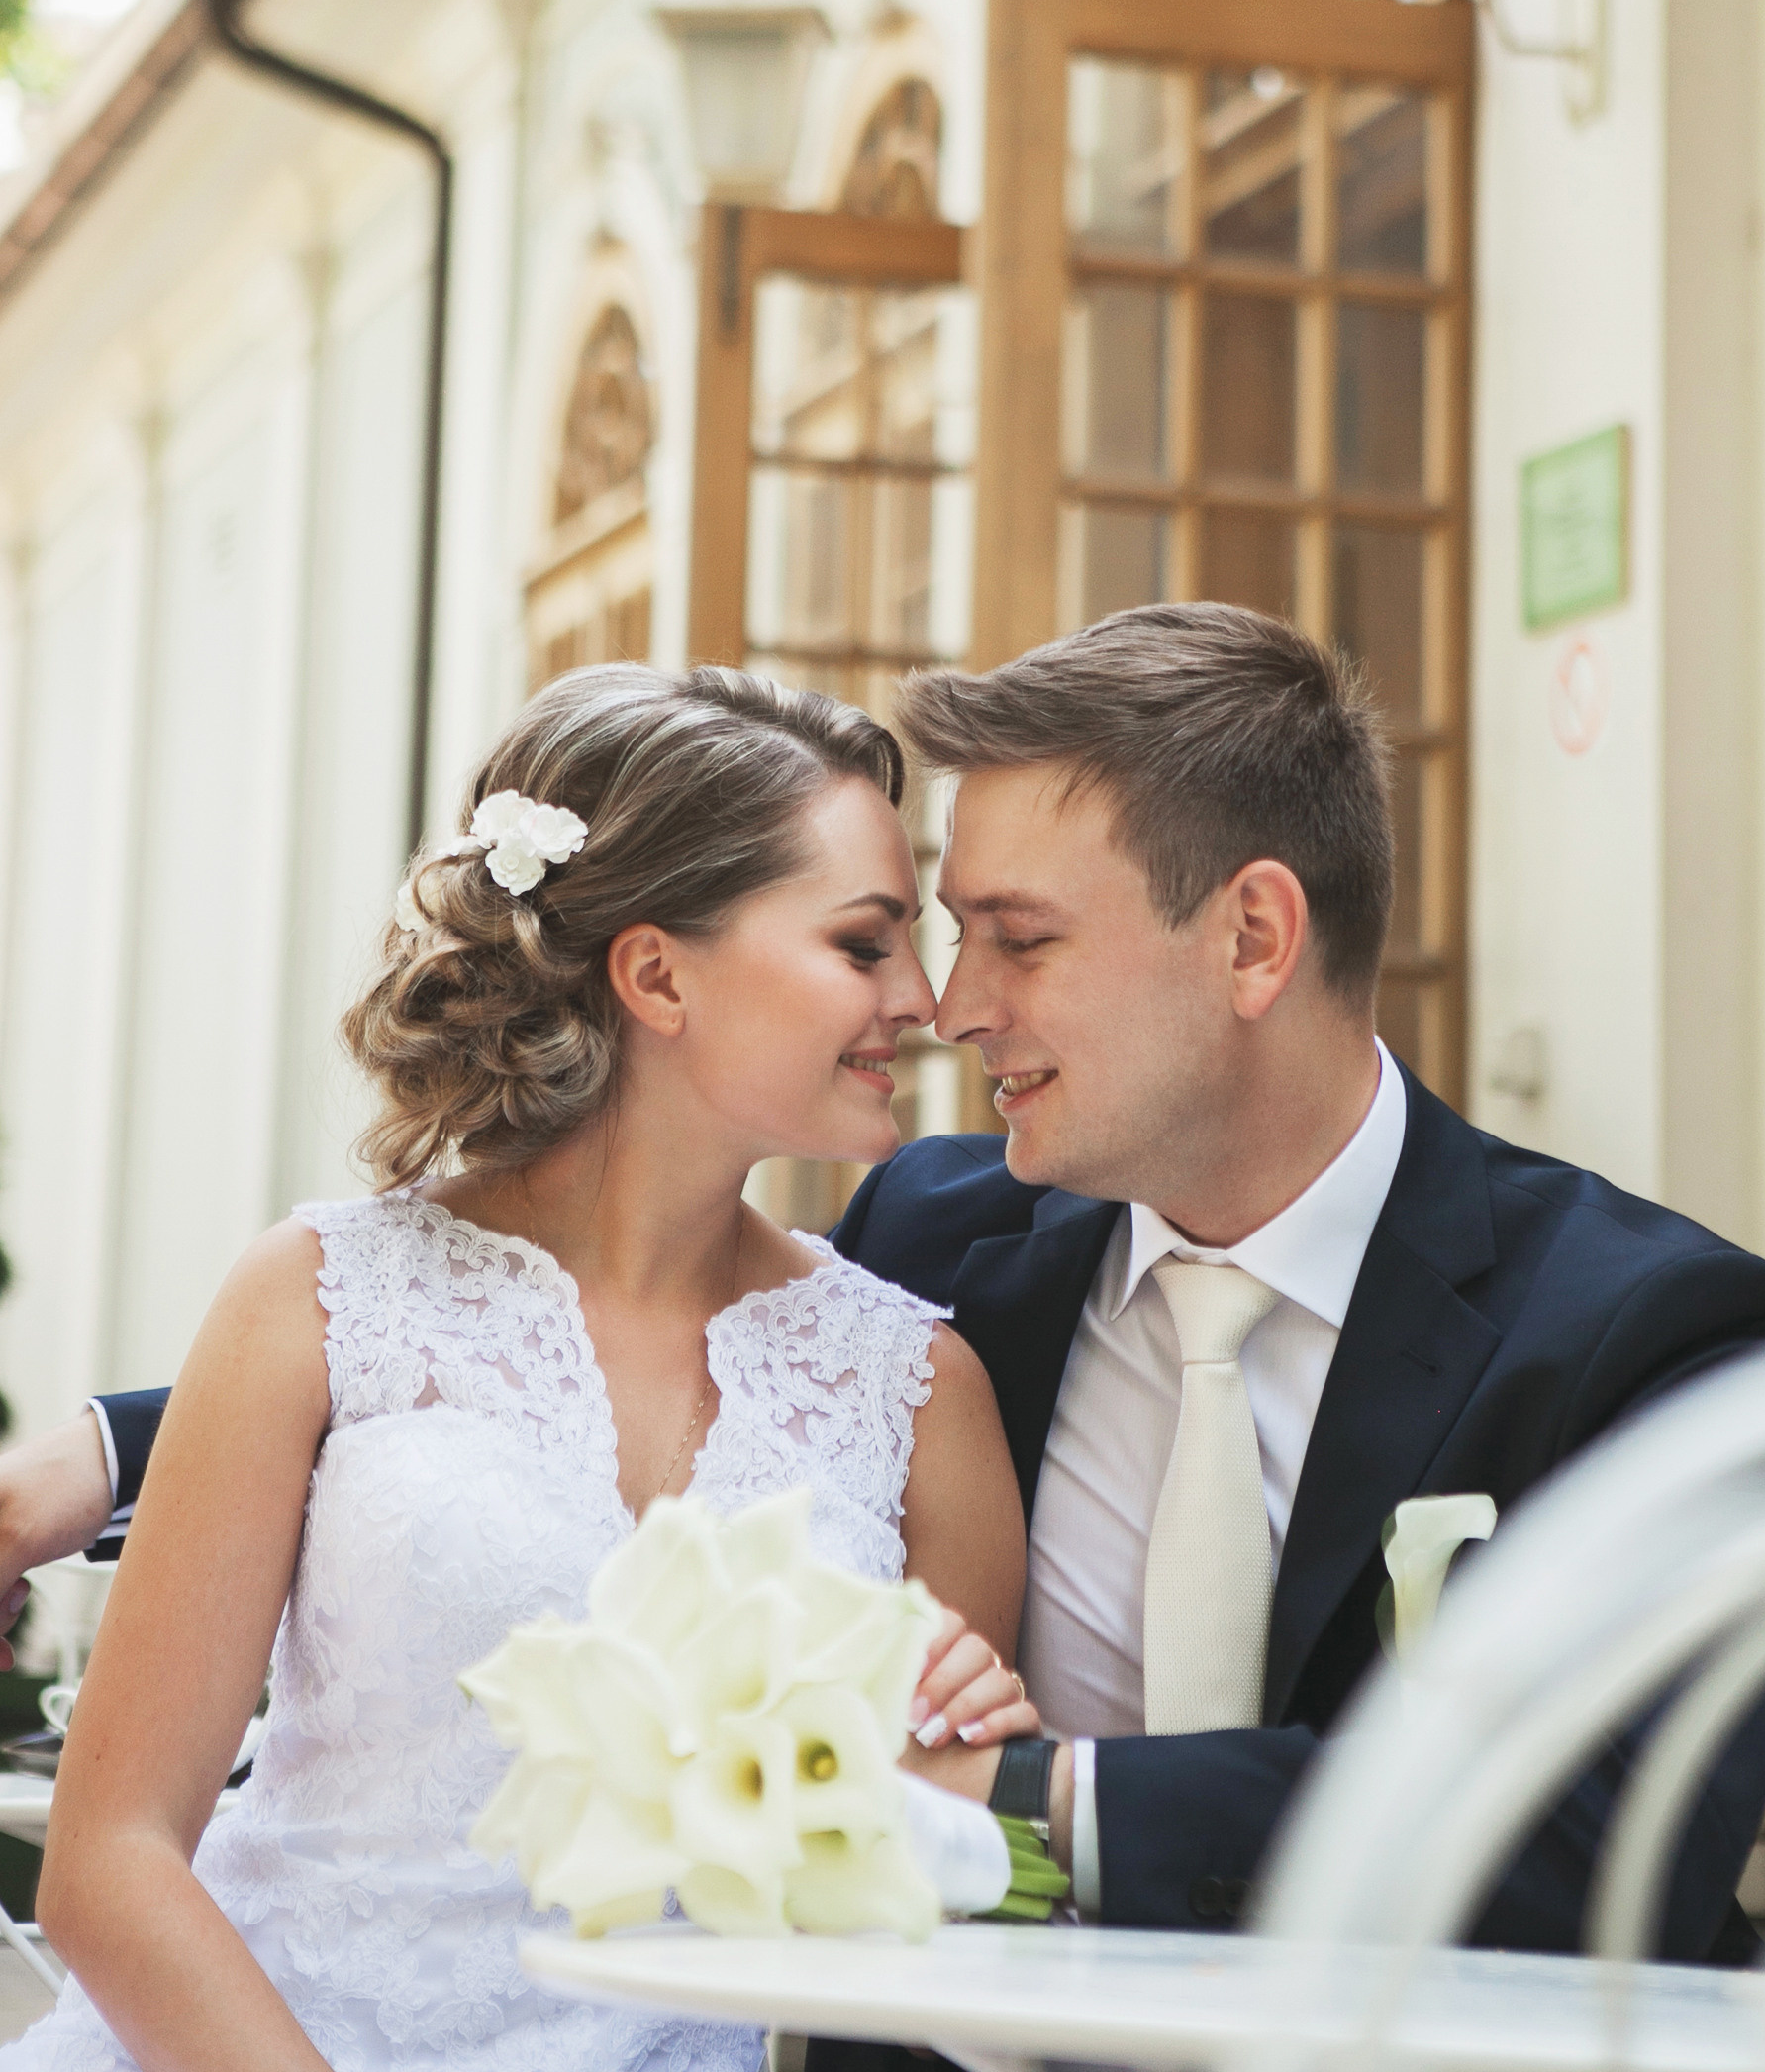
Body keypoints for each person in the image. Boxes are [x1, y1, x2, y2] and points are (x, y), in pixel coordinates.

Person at [3, 608, 1765, 1973]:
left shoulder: (1652, 1337)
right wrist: (113, 1452)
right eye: (919, 938)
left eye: (1017, 940)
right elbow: (576, 1363)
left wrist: (1010, 1803)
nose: (948, 1007)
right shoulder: (943, 1249)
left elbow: (1602, 1845)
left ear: (1254, 939)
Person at [2, 665, 1036, 2072]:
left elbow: (916, 1912)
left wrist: (961, 1784)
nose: (921, 998)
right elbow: (110, 1861)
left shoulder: (919, 1389)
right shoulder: (318, 1298)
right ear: (657, 975)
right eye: (864, 944)